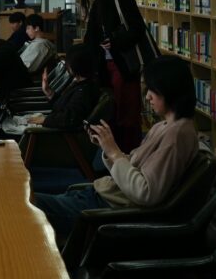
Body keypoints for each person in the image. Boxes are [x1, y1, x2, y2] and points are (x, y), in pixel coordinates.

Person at [31, 56, 199, 243]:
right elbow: (134, 168)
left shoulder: (176, 136)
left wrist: (115, 153)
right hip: (102, 196)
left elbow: (146, 192)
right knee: (24, 199)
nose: (147, 97)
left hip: (105, 210)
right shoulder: (164, 126)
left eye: (153, 90)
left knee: (22, 204)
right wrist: (108, 148)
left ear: (169, 90)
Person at [78, 0, 158, 153]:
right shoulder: (96, 5)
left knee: (127, 113)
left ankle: (130, 155)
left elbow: (137, 29)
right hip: (105, 67)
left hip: (124, 66)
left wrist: (114, 41)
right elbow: (91, 37)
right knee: (112, 112)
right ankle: (114, 153)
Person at [1, 43, 105, 137]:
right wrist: (49, 92)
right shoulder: (81, 84)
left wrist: (44, 120)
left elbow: (70, 118)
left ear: (75, 65)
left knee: (3, 132)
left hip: (57, 135)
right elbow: (64, 108)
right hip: (54, 126)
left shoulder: (84, 90)